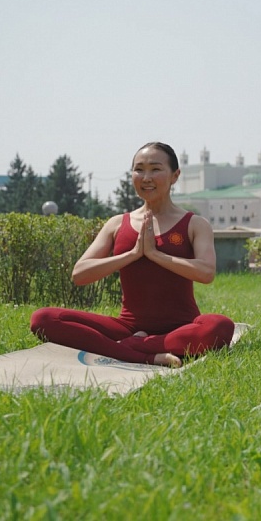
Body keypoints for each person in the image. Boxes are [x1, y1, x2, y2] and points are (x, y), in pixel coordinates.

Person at [30, 142, 235, 367]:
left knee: (219, 326)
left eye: (155, 169)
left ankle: (131, 346)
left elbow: (206, 273)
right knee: (43, 319)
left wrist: (156, 255)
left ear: (175, 176)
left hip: (181, 327)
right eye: (139, 169)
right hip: (127, 326)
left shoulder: (195, 224)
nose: (146, 177)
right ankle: (144, 354)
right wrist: (133, 254)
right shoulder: (117, 224)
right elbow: (80, 274)